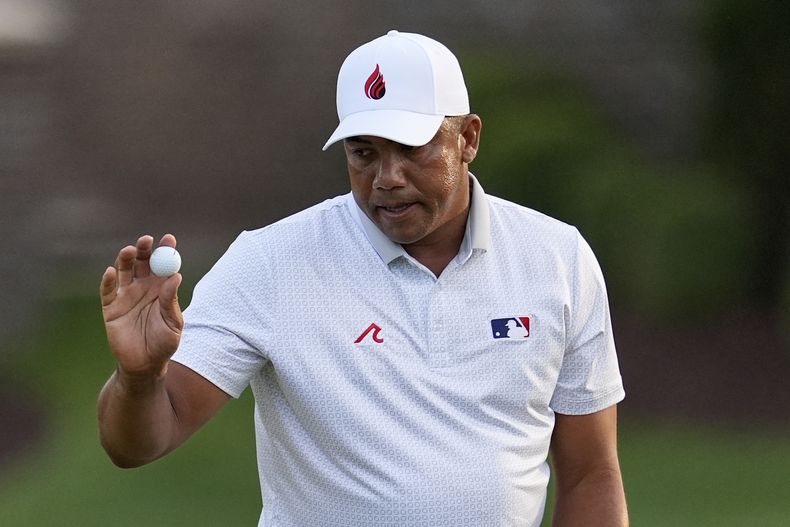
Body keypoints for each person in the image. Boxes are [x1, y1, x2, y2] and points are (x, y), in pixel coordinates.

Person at [98, 30, 628, 526]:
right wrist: (140, 378)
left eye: (412, 149)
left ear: (467, 138)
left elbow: (591, 473)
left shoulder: (557, 258)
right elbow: (140, 443)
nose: (387, 178)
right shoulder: (270, 262)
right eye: (364, 153)